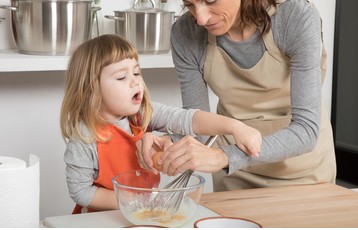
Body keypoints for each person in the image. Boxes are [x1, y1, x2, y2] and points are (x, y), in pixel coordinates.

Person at [138, 0, 336, 191]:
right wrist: (171, 143)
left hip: (302, 171)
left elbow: (305, 131)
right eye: (189, 4)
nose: (200, 18)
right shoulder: (185, 33)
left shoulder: (294, 17)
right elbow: (198, 127)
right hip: (234, 174)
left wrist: (225, 156)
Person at [59, 34, 261, 213]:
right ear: (91, 90)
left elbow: (188, 119)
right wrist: (137, 200)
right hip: (101, 221)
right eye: (122, 77)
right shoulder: (85, 137)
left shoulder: (143, 114)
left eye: (136, 73)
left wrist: (235, 127)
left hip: (143, 214)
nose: (135, 81)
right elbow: (81, 192)